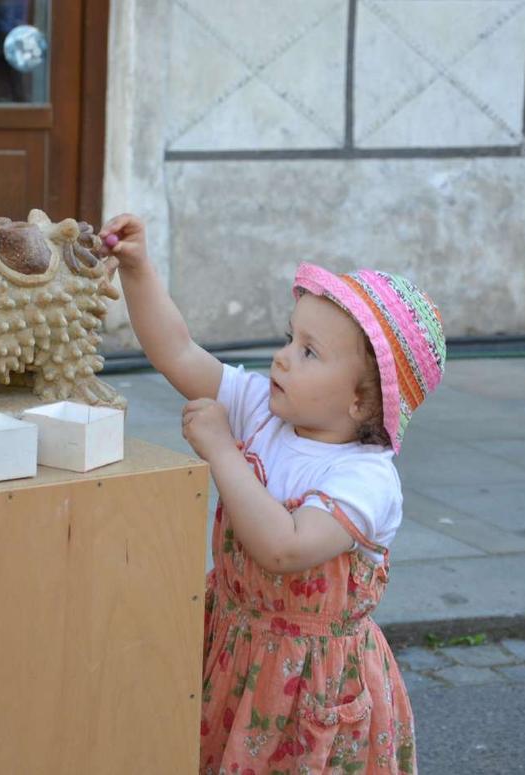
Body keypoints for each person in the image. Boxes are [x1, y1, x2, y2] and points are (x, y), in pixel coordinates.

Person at [99, 213, 445, 774]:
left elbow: (283, 548)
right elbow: (180, 353)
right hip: (231, 644)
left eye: (310, 352)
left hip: (309, 685)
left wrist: (222, 450)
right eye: (291, 338)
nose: (282, 356)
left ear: (362, 402)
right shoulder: (265, 408)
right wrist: (137, 270)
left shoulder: (366, 478)